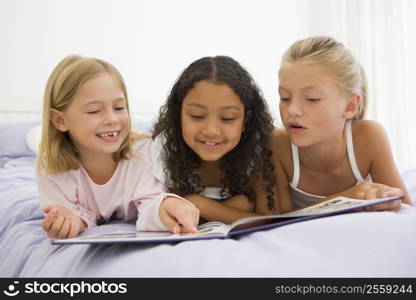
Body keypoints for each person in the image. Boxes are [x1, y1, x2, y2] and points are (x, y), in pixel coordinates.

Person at [36, 55, 199, 239]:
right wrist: (70, 222)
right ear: (60, 120)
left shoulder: (143, 153)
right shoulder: (52, 167)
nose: (112, 119)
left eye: (120, 107)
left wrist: (166, 206)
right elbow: (70, 215)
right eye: (94, 111)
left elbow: (151, 203)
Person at [272, 36, 411, 211]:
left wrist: (387, 199)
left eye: (312, 99)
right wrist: (347, 198)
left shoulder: (369, 136)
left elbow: (406, 211)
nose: (292, 109)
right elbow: (275, 221)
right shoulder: (278, 143)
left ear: (350, 106)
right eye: (285, 98)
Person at [151, 56, 291, 224]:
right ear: (179, 115)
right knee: (244, 202)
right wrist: (237, 207)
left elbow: (268, 220)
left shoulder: (259, 150)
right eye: (197, 116)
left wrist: (198, 203)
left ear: (245, 120)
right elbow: (162, 213)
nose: (211, 131)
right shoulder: (165, 150)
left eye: (227, 118)